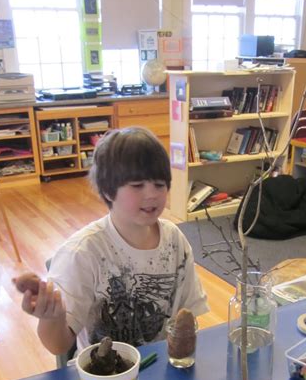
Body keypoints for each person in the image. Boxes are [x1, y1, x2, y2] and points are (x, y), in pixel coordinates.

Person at [15, 126, 208, 356]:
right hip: (104, 379)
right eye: (137, 186)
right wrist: (51, 317)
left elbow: (188, 315)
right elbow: (58, 345)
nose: (152, 194)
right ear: (107, 191)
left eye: (159, 184)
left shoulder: (175, 241)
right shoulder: (82, 253)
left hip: (160, 367)